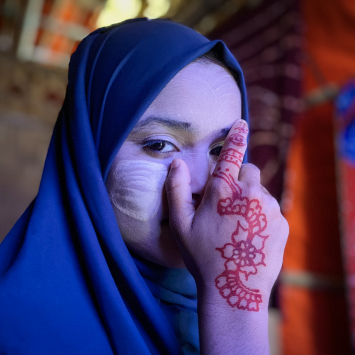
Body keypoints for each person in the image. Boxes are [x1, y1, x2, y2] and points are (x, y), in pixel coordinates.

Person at [0, 18, 288, 354]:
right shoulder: (18, 329)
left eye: (220, 151)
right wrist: (236, 314)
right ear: (90, 151)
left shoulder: (199, 301)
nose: (204, 187)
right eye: (159, 145)